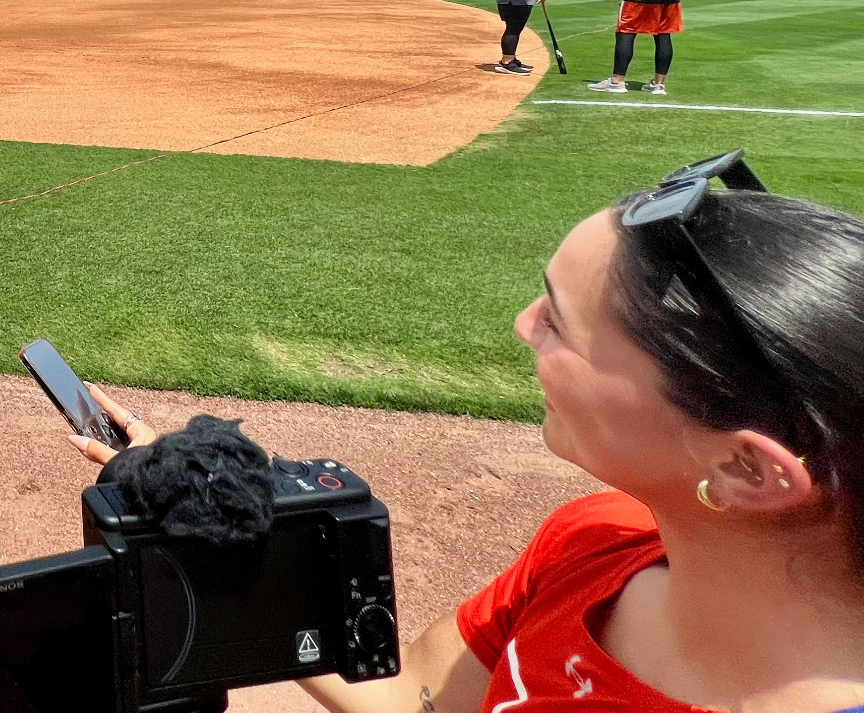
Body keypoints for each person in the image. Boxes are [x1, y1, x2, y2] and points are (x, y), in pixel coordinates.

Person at [73, 151, 864, 713]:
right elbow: (416, 695)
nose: (524, 327)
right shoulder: (592, 544)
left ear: (748, 471)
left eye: (558, 322)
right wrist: (212, 516)